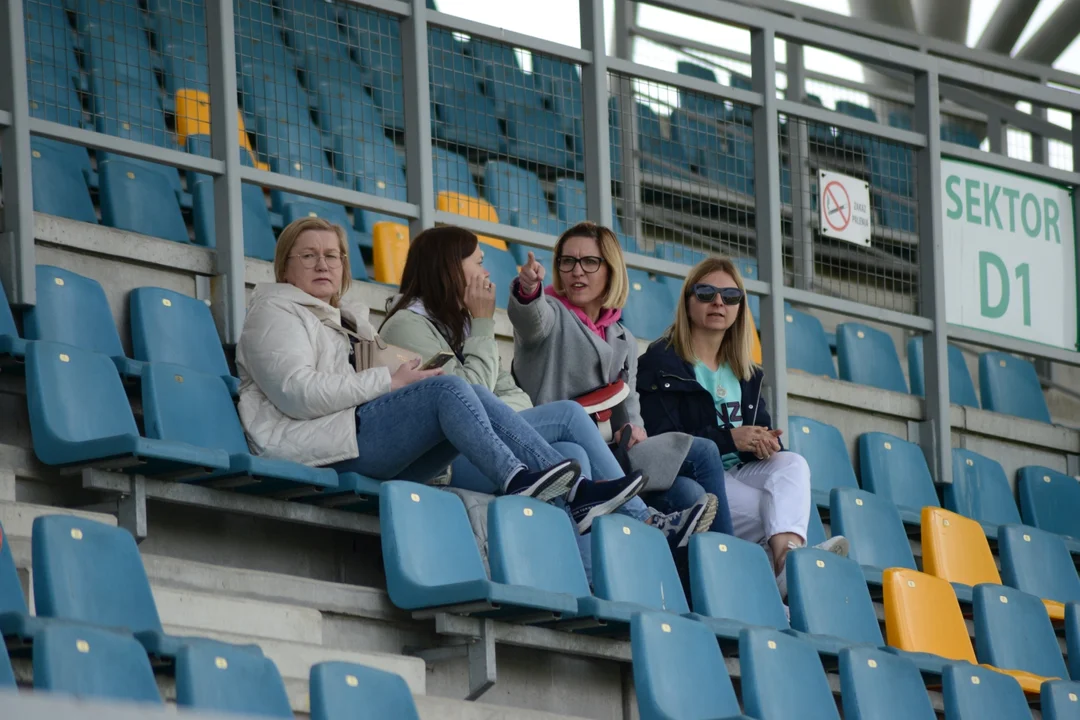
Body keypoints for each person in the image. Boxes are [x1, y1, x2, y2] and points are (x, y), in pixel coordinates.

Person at [235, 217, 641, 523]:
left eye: (333, 256)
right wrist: (388, 382)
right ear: (284, 267)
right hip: (315, 449)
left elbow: (502, 390)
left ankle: (578, 501)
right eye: (309, 255)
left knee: (549, 442)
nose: (323, 264)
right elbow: (297, 393)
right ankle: (518, 477)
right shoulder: (274, 311)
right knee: (448, 390)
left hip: (350, 437)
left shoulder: (351, 320)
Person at [379, 225, 712, 544]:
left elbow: (514, 396)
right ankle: (646, 522)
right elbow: (468, 399)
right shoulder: (409, 325)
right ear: (450, 269)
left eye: (589, 262)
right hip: (445, 463)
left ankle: (586, 578)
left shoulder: (459, 327)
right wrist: (487, 319)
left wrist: (493, 418)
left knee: (572, 456)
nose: (487, 273)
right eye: (479, 262)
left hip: (492, 449)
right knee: (568, 416)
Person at [508, 221, 733, 547]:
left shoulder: (622, 335)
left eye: (589, 262)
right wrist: (527, 289)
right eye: (567, 262)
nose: (576, 272)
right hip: (562, 444)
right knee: (701, 457)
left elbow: (629, 405)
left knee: (691, 489)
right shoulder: (553, 312)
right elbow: (530, 318)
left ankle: (708, 579)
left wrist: (636, 428)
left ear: (610, 270)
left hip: (616, 449)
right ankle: (729, 555)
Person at [636, 256, 849, 595]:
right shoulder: (661, 361)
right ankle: (785, 574)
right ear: (688, 302)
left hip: (738, 475)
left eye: (730, 296)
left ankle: (786, 563)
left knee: (792, 464)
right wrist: (730, 438)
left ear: (739, 307)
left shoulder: (746, 371)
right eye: (706, 293)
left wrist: (765, 442)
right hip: (695, 479)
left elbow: (757, 430)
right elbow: (664, 438)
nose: (718, 302)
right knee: (772, 510)